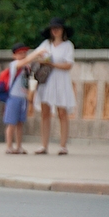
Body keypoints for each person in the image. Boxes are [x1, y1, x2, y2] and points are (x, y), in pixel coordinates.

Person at [23, 18, 76, 155]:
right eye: (53, 28)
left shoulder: (67, 45)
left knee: (62, 112)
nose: (55, 30)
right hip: (46, 80)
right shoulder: (46, 44)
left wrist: (53, 64)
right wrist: (42, 60)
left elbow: (68, 65)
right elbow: (35, 56)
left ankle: (63, 145)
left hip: (60, 79)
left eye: (58, 28)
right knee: (45, 113)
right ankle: (44, 145)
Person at [2, 43, 31, 154]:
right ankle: (9, 146)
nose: (23, 55)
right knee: (11, 123)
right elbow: (21, 64)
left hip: (23, 97)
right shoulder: (14, 65)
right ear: (14, 55)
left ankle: (19, 146)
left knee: (20, 123)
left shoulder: (27, 67)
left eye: (25, 53)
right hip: (13, 97)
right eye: (20, 53)